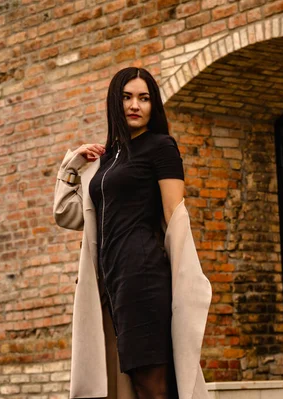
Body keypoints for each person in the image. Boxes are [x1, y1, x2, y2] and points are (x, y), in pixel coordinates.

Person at [53, 67, 212, 399]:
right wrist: (72, 166)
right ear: (115, 102)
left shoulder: (160, 147)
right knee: (126, 386)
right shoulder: (106, 158)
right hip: (110, 283)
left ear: (154, 105)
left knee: (150, 385)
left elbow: (174, 215)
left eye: (144, 98)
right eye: (127, 97)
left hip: (144, 276)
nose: (135, 105)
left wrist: (184, 285)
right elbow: (67, 214)